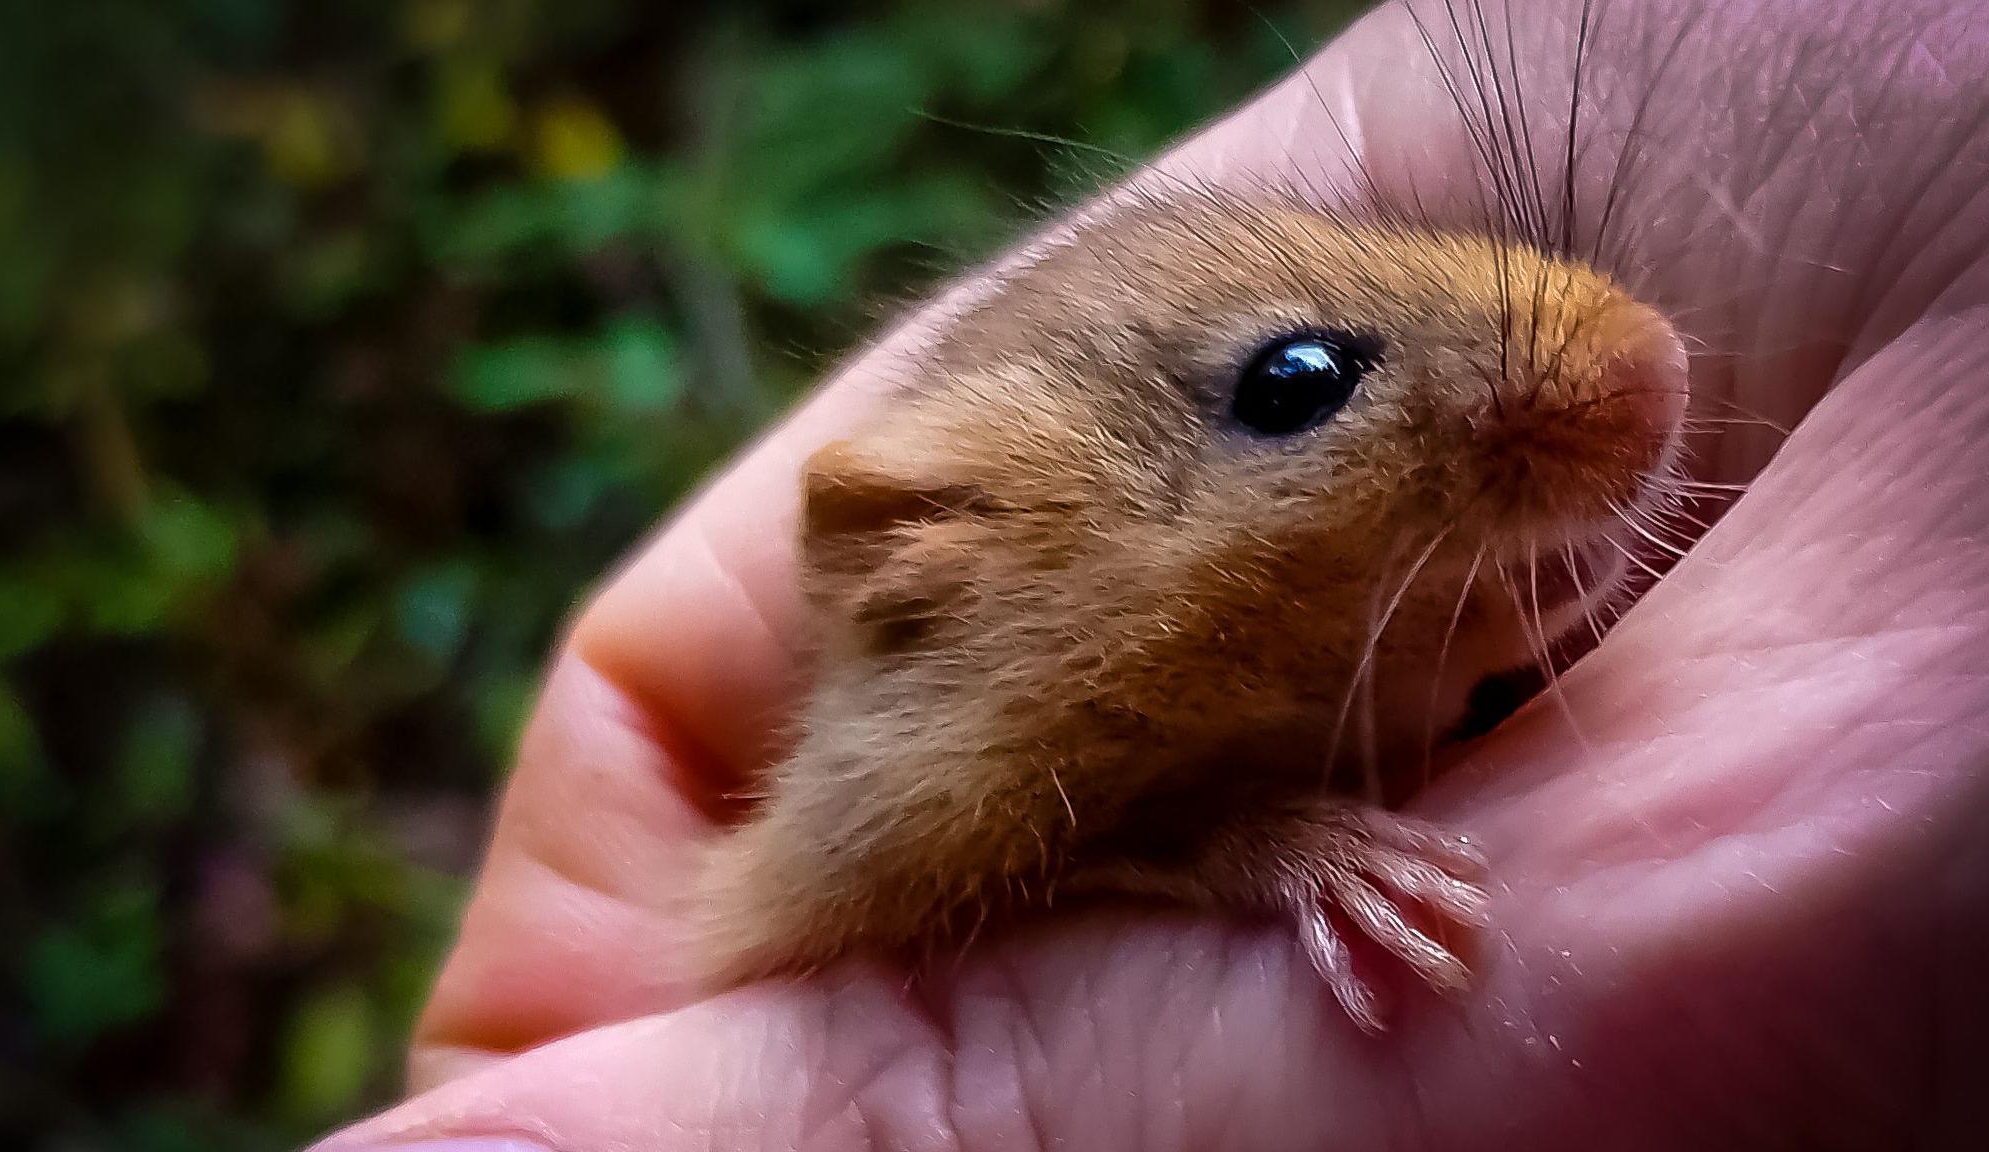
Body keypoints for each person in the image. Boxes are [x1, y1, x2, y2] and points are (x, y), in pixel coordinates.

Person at [314, 0, 1989, 1146]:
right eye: (1301, 387)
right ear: (942, 565)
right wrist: (1236, 845)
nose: (1636, 363)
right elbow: (869, 904)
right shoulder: (934, 782)